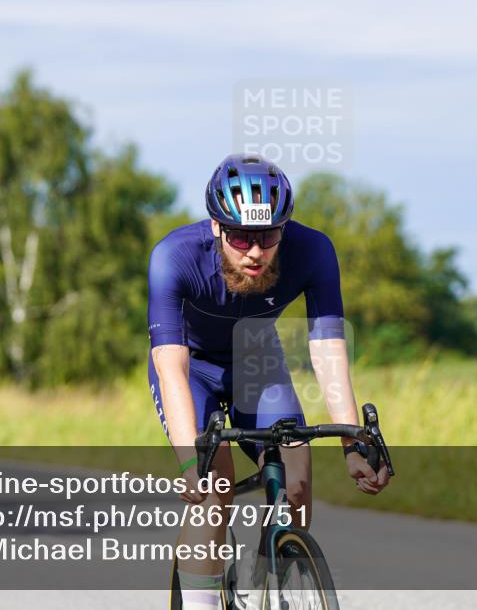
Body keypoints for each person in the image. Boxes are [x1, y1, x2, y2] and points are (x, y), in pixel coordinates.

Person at [147, 154, 389, 609]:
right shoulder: (174, 257)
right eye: (240, 236)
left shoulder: (313, 250)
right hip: (192, 368)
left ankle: (270, 579)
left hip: (257, 360)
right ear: (217, 227)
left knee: (295, 480)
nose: (254, 251)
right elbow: (170, 365)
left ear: (285, 228)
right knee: (213, 489)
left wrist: (352, 444)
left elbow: (327, 349)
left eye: (267, 236)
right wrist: (187, 463)